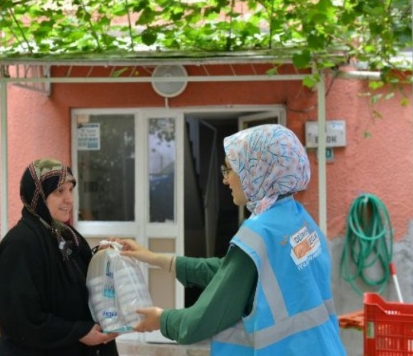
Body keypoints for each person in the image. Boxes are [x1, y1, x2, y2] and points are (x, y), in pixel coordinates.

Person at [116, 124, 346, 355]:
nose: (225, 180)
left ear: (257, 170)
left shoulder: (260, 233)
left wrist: (161, 319)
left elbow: (202, 319)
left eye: (230, 169)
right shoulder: (298, 218)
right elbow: (231, 272)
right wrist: (155, 258)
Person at [0, 158, 119, 356]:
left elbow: (73, 276)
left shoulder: (64, 235)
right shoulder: (20, 244)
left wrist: (100, 256)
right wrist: (78, 332)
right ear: (38, 196)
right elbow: (20, 319)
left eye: (70, 190)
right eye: (59, 191)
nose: (69, 199)